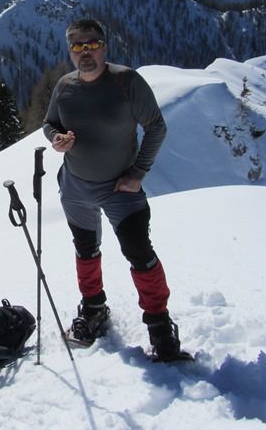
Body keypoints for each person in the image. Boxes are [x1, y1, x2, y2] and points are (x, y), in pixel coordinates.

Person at [42, 18, 182, 360]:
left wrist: (138, 173)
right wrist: (56, 140)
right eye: (77, 46)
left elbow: (156, 128)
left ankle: (160, 326)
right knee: (85, 250)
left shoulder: (126, 82)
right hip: (76, 185)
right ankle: (93, 308)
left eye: (92, 44)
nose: (85, 52)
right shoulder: (64, 86)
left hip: (120, 189)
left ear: (105, 46)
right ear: (70, 50)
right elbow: (50, 123)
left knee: (139, 253)